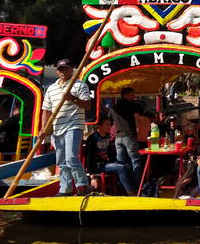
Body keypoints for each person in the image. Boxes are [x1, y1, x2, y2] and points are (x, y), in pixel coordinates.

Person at [42, 58, 92, 197]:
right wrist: (43, 129)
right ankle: (65, 189)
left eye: (66, 68)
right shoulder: (51, 88)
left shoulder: (79, 85)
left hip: (74, 125)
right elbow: (46, 110)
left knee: (71, 158)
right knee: (61, 161)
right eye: (61, 69)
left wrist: (73, 99)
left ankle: (82, 186)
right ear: (58, 71)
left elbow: (88, 106)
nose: (63, 71)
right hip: (58, 127)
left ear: (71, 69)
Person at [85, 117, 135, 195]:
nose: (109, 127)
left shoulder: (107, 136)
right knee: (121, 168)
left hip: (105, 163)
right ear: (99, 126)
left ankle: (123, 191)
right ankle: (131, 193)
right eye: (107, 124)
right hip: (97, 166)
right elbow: (88, 158)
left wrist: (114, 161)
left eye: (110, 124)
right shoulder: (92, 139)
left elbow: (109, 152)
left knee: (127, 165)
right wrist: (92, 176)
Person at [109, 86, 146, 189]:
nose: (134, 97)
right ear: (125, 95)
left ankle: (124, 186)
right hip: (129, 136)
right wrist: (138, 131)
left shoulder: (114, 107)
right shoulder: (132, 105)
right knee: (136, 161)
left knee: (121, 163)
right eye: (132, 95)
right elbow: (137, 119)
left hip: (118, 138)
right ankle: (137, 186)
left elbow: (110, 120)